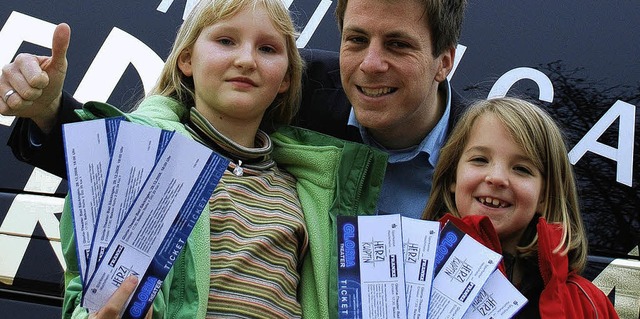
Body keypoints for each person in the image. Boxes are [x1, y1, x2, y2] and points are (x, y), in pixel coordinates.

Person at [39, 0, 388, 318]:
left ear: (286, 78)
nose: (246, 60)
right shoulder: (134, 158)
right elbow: (83, 295)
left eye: (267, 49)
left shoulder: (313, 189)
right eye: (225, 41)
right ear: (187, 59)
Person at [1, 0, 468, 219]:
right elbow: (148, 155)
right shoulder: (291, 85)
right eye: (356, 39)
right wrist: (48, 111)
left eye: (399, 45)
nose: (370, 65)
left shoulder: (492, 153)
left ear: (444, 60)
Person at [422, 97, 619, 318]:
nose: (496, 178)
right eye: (479, 159)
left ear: (545, 196)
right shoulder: (409, 276)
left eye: (522, 169)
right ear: (452, 177)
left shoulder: (587, 304)